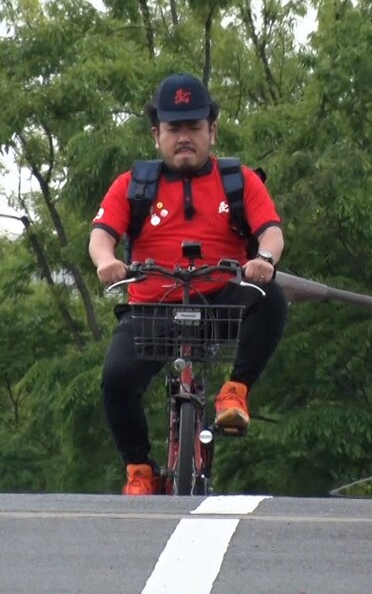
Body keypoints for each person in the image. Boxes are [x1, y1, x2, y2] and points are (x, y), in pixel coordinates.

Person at [89, 72, 288, 496]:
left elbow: (271, 232)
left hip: (220, 301)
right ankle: (140, 469)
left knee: (270, 298)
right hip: (151, 307)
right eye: (173, 128)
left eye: (194, 127)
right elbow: (101, 236)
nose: (184, 137)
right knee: (115, 379)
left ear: (212, 131)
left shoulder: (240, 181)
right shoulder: (133, 185)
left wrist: (264, 260)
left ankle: (235, 394)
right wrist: (107, 261)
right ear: (156, 133)